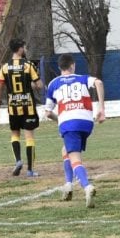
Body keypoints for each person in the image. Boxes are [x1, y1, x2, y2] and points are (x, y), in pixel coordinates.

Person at [44, 54, 105, 208]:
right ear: (73, 65)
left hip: (69, 124)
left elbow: (48, 113)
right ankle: (68, 184)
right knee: (66, 150)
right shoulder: (83, 78)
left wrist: (62, 119)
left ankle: (87, 187)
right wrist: (101, 109)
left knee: (75, 158)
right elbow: (99, 82)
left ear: (60, 67)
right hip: (86, 123)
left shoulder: (54, 83)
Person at [0, 38, 44, 177]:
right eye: (25, 47)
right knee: (29, 137)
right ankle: (30, 170)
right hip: (28, 107)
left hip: (13, 107)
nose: (26, 49)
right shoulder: (28, 65)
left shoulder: (4, 67)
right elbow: (39, 85)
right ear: (20, 48)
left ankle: (18, 160)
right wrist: (32, 85)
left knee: (15, 134)